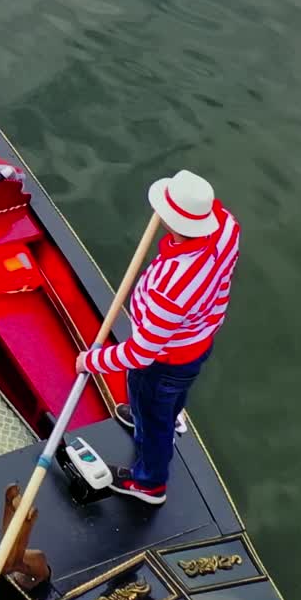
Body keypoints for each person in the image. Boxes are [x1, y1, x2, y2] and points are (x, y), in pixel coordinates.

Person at [75, 169, 240, 505]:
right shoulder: (227, 227)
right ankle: (159, 418)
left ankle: (149, 485)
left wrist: (90, 361)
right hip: (196, 345)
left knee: (153, 419)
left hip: (162, 363)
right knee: (169, 400)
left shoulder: (171, 289)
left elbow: (141, 354)